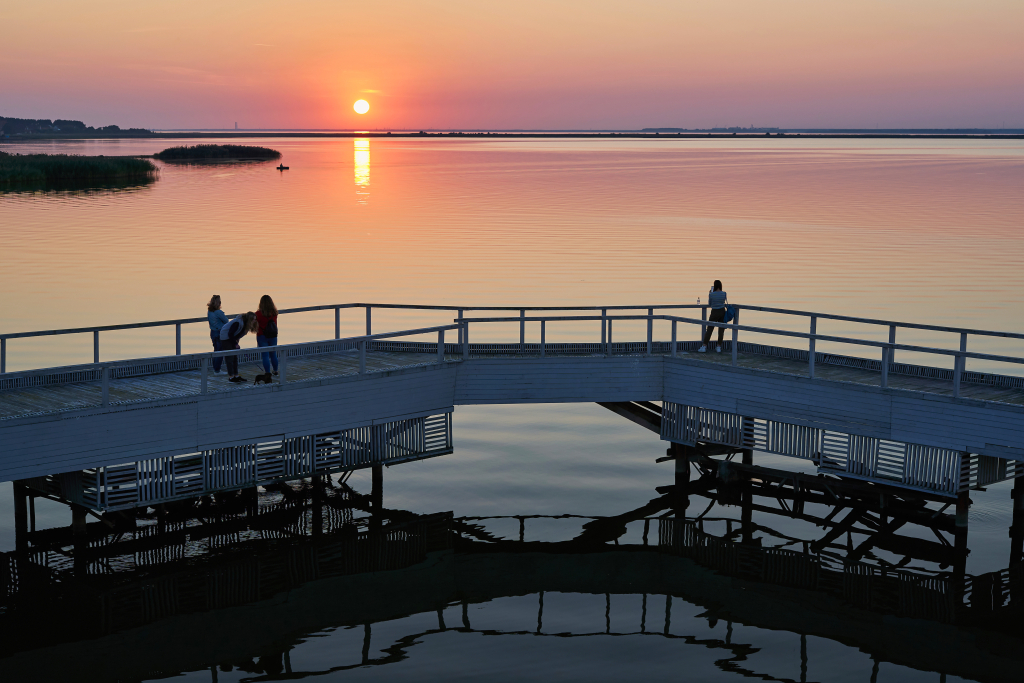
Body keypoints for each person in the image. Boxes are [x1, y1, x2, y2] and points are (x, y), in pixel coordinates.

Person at [219, 311, 258, 382]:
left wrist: (236, 341)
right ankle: (231, 377)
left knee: (235, 357)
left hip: (231, 338)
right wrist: (235, 344)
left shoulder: (245, 325)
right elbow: (230, 334)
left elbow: (237, 334)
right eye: (254, 320)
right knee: (229, 357)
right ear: (249, 319)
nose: (255, 321)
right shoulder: (238, 322)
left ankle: (236, 375)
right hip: (225, 337)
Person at [699, 280, 728, 353]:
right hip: (722, 311)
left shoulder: (712, 294)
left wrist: (710, 294)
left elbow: (710, 304)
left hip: (714, 312)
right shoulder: (724, 293)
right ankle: (719, 347)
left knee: (709, 329)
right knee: (721, 330)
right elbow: (723, 302)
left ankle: (704, 346)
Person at [255, 295, 279, 376]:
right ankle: (275, 370)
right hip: (273, 335)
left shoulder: (258, 314)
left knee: (265, 355)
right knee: (273, 354)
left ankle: (267, 372)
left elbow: (255, 325)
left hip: (262, 336)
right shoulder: (274, 313)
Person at [207, 295, 229, 373]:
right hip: (219, 332)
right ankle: (217, 370)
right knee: (220, 351)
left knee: (216, 350)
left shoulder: (209, 311)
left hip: (213, 332)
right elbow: (226, 320)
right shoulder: (218, 312)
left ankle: (215, 368)